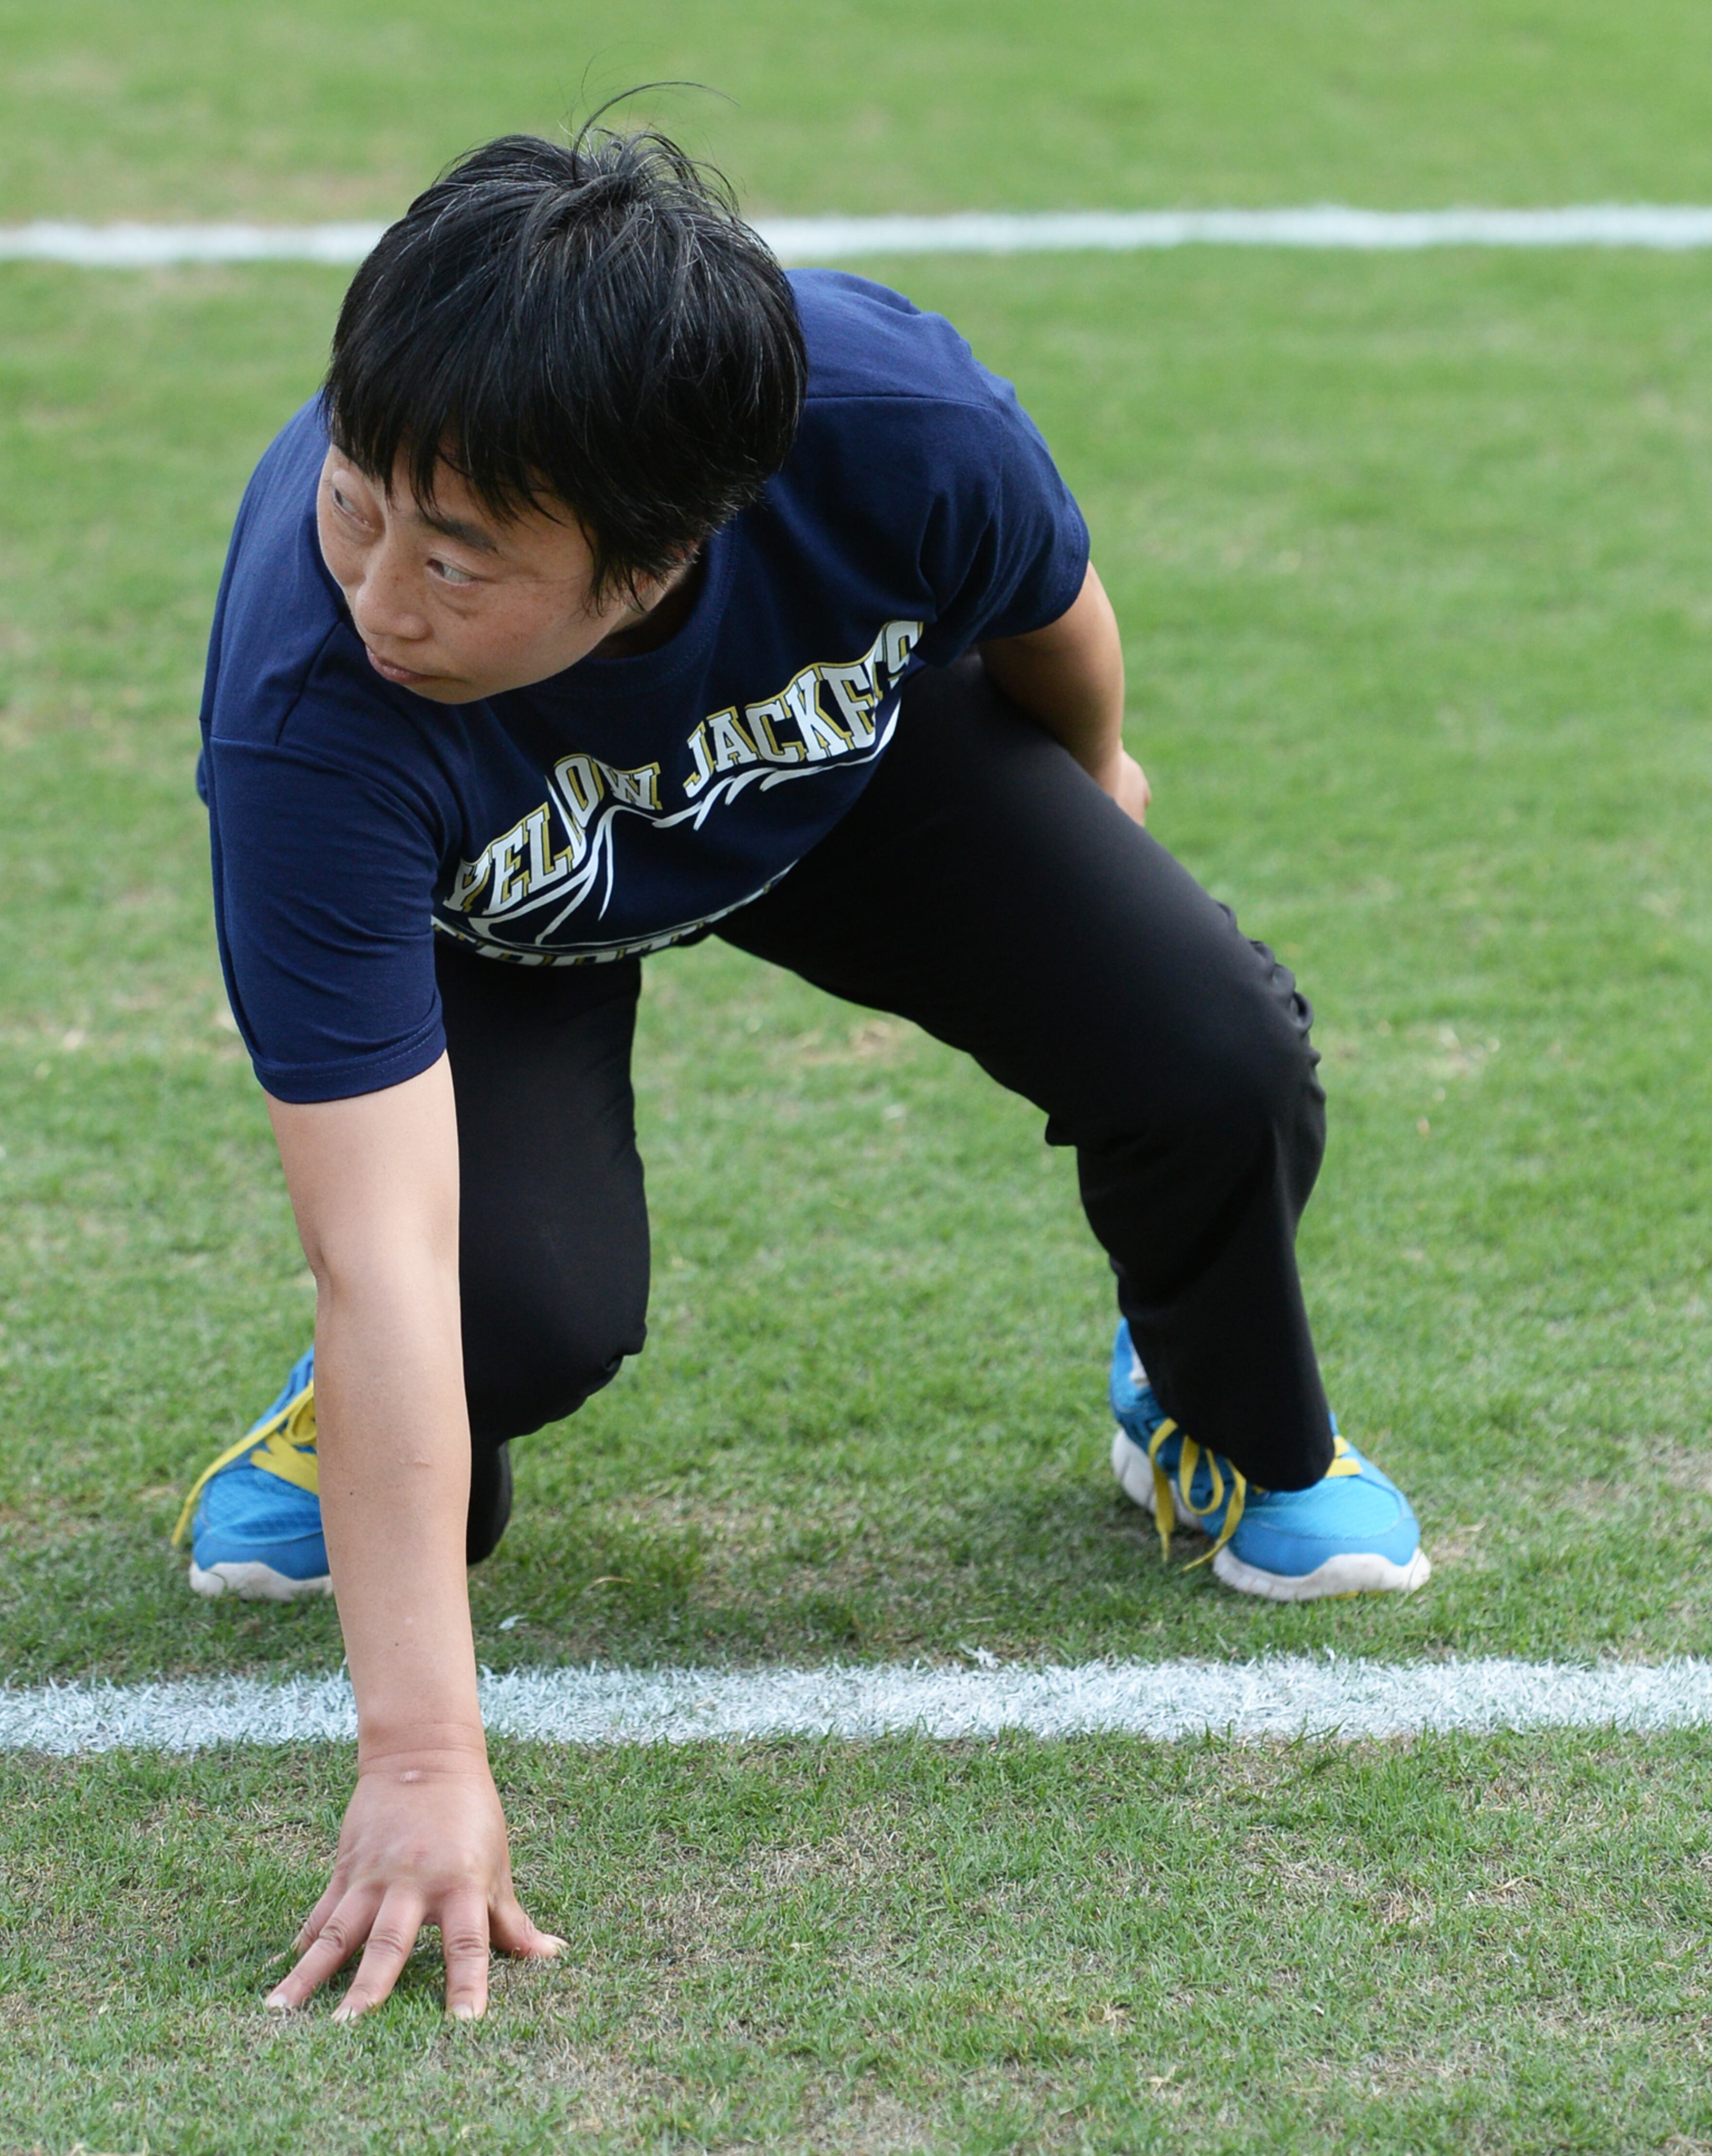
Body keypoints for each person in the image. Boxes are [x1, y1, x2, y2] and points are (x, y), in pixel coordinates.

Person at [180, 120, 1429, 2021]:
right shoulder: (319, 707)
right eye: (360, 503)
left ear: (669, 548)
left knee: (1210, 1047)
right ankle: (347, 1427)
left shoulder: (890, 419)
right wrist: (426, 1761)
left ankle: (1209, 1419)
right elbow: (377, 1250)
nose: (381, 594)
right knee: (495, 1308)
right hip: (500, 901)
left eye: (459, 557)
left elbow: (1049, 615)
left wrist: (1101, 820)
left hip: (833, 781)